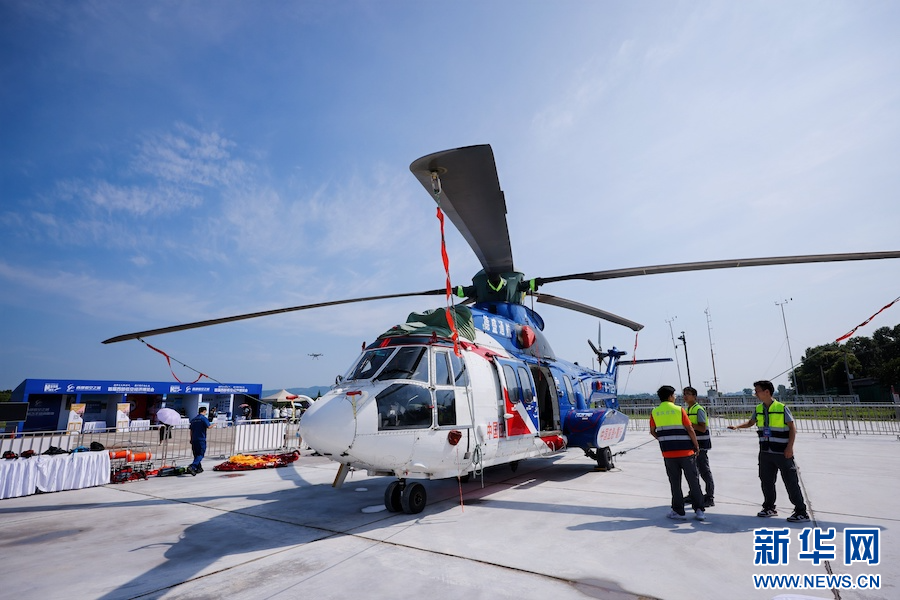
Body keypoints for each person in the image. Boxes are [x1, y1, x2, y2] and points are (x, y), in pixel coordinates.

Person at [728, 380, 809, 522]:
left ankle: (801, 511)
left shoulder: (781, 408)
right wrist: (737, 426)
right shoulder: (759, 408)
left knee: (790, 481)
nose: (755, 394)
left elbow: (792, 428)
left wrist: (789, 447)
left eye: (757, 391)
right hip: (765, 452)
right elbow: (751, 422)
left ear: (767, 392)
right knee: (766, 481)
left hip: (782, 452)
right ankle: (769, 507)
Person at [650, 385, 706, 521]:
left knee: (675, 483)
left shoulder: (655, 412)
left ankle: (678, 511)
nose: (675, 397)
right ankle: (699, 510)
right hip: (686, 452)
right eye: (674, 395)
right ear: (670, 396)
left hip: (668, 454)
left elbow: (652, 431)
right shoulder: (679, 410)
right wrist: (696, 445)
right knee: (693, 481)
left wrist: (663, 439)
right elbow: (690, 429)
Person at [683, 386, 715, 507]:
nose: (685, 396)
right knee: (693, 472)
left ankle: (709, 496)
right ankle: (694, 494)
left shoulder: (698, 409)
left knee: (704, 471)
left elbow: (702, 428)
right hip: (691, 444)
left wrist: (689, 425)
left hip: (701, 445)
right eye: (684, 394)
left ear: (694, 396)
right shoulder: (687, 410)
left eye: (688, 394)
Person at [187, 406, 213, 475]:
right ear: (204, 411)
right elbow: (209, 426)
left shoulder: (193, 419)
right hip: (201, 439)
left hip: (194, 439)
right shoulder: (203, 418)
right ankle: (192, 467)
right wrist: (214, 425)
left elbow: (191, 430)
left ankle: (199, 468)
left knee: (196, 454)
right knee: (200, 454)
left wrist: (191, 438)